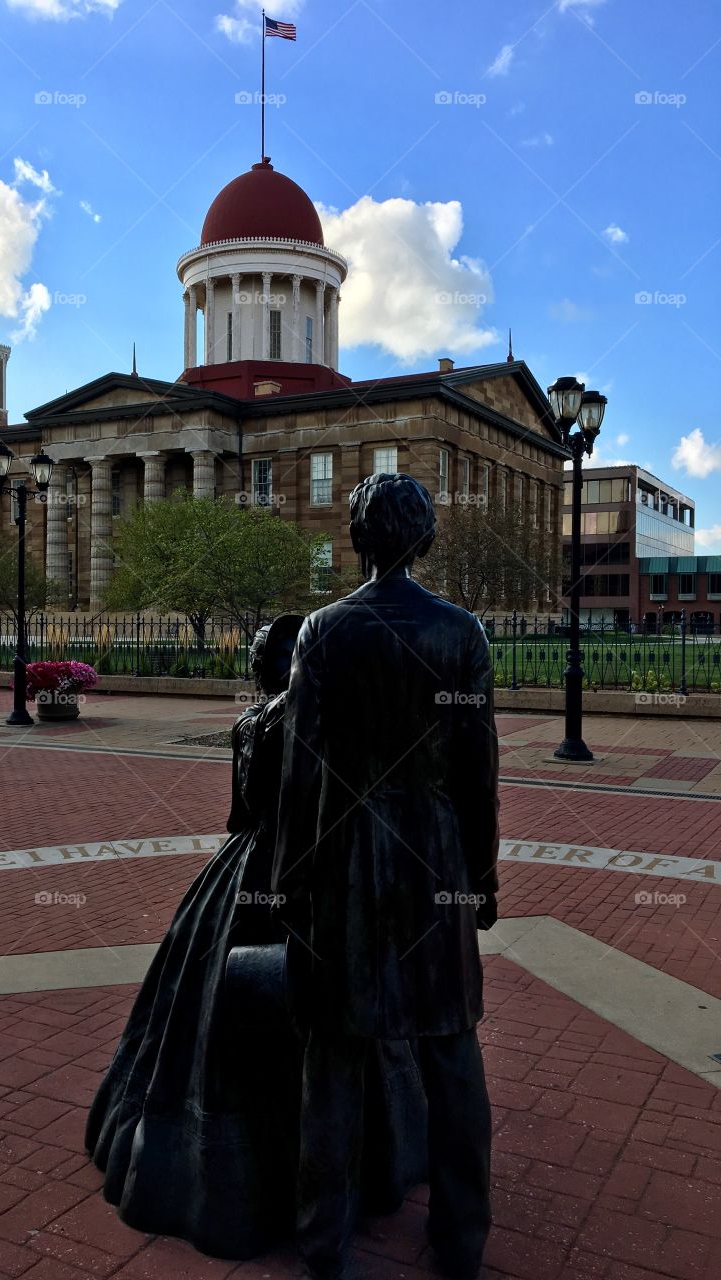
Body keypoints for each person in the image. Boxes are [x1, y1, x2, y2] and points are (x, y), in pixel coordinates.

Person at [85, 613, 425, 1260]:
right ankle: (365, 1165)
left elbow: (243, 816)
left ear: (265, 666)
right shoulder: (340, 721)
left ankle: (224, 1175)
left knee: (213, 1014)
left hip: (252, 874)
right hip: (324, 883)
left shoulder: (252, 725)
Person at [273, 473, 500, 1280]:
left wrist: (286, 883)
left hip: (342, 864)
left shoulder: (323, 634)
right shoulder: (460, 633)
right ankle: (461, 1239)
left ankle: (322, 1242)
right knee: (450, 1052)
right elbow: (477, 774)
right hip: (433, 860)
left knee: (331, 1060)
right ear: (427, 538)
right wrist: (480, 876)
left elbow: (301, 774)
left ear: (358, 540)